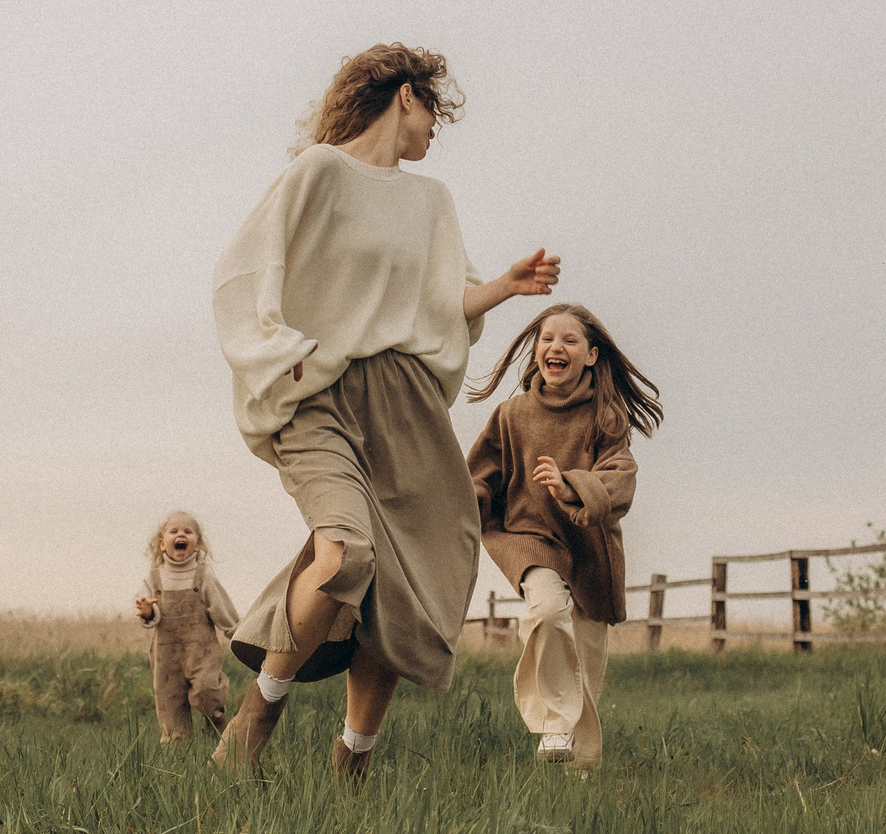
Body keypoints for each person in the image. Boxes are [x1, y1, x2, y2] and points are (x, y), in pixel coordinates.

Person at [210, 43, 561, 777]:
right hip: (322, 396)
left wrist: (502, 285)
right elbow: (245, 267)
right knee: (348, 550)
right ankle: (256, 716)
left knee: (414, 575)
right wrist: (280, 347)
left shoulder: (431, 201)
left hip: (404, 404)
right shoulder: (319, 172)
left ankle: (354, 758)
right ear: (406, 95)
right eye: (433, 110)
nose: (436, 129)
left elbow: (442, 301)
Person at [465, 303, 662, 767]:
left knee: (587, 669)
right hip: (528, 538)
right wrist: (456, 501)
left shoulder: (606, 417)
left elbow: (621, 476)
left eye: (569, 341)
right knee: (547, 610)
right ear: (536, 352)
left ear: (591, 356)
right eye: (547, 339)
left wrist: (571, 482)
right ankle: (554, 725)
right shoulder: (511, 415)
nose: (556, 347)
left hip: (589, 547)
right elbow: (480, 478)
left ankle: (581, 775)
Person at [131, 511, 239, 742]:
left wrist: (239, 636)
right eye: (174, 531)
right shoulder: (154, 578)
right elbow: (145, 606)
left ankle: (218, 725)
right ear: (162, 544)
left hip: (202, 652)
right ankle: (178, 764)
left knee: (207, 692)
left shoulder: (204, 576)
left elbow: (222, 610)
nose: (181, 534)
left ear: (197, 544)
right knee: (171, 709)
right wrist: (148, 611)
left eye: (188, 531)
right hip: (166, 657)